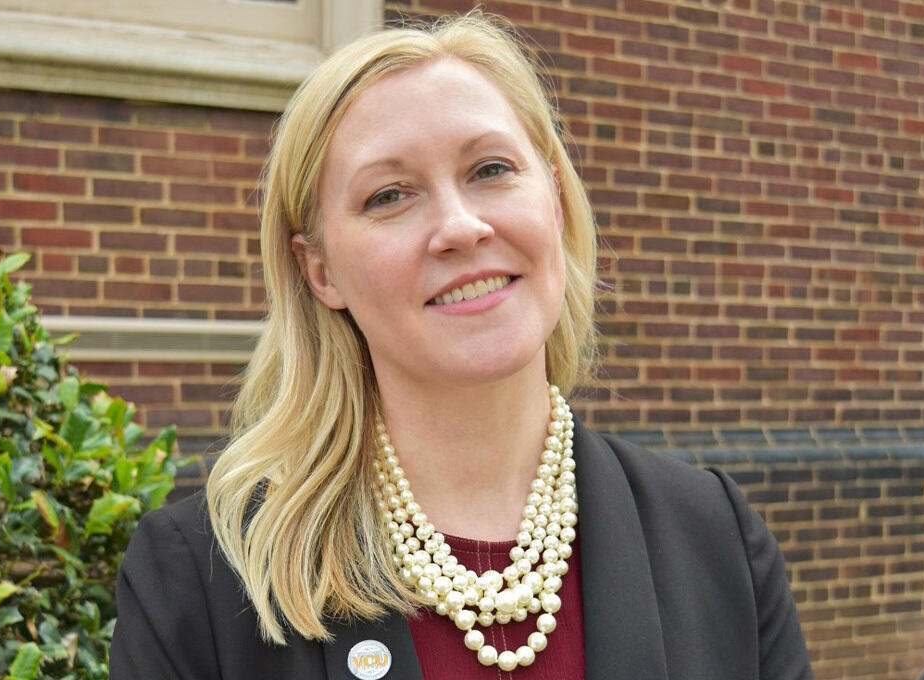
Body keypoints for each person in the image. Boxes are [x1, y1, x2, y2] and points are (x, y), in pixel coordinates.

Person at [109, 12, 813, 680]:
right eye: (389, 195)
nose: (459, 226)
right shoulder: (200, 581)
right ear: (319, 272)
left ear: (556, 203)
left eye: (490, 170)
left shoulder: (716, 541)